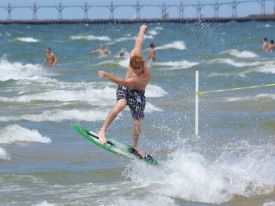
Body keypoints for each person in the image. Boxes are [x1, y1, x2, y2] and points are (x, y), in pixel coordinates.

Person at [97, 25, 151, 159]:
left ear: (141, 68)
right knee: (120, 105)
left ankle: (135, 145)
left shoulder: (143, 77)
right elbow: (139, 41)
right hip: (125, 88)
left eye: (135, 70)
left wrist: (108, 76)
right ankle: (102, 131)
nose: (132, 71)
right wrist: (141, 30)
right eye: (131, 67)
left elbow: (124, 82)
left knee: (138, 122)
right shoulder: (135, 55)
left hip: (137, 92)